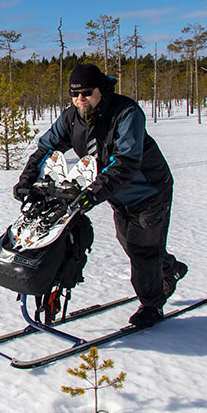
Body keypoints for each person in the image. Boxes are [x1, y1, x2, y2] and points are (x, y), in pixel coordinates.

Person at [12, 63, 187, 328]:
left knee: (143, 252)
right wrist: (27, 180)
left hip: (149, 192)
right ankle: (169, 267)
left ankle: (152, 305)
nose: (80, 99)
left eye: (86, 92)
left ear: (101, 90)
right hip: (116, 194)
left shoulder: (126, 113)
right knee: (129, 243)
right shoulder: (73, 116)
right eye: (74, 93)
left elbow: (126, 162)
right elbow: (47, 147)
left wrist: (92, 193)